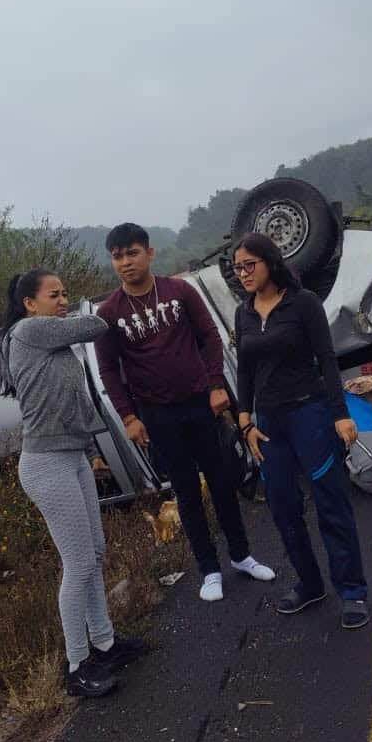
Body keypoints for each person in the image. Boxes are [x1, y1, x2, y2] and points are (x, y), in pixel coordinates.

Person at [95, 223, 274, 603]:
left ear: (149, 253)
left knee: (223, 480)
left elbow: (209, 335)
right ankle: (210, 570)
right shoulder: (109, 312)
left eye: (133, 253)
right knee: (187, 493)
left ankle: (241, 556)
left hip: (199, 402)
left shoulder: (179, 292)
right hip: (156, 414)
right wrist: (129, 417)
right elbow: (109, 369)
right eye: (118, 256)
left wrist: (214, 385)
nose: (126, 262)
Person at [0, 270, 145, 698]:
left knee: (94, 552)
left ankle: (105, 643)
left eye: (65, 294)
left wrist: (89, 449)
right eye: (54, 295)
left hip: (71, 457)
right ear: (29, 303)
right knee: (77, 564)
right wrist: (114, 299)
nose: (63, 301)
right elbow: (94, 325)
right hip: (46, 466)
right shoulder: (30, 330)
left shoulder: (46, 338)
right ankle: (77, 666)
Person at [233, 233, 369, 630]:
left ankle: (352, 590)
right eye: (237, 267)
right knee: (283, 506)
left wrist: (340, 414)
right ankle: (310, 583)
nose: (242, 273)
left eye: (249, 265)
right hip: (269, 424)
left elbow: (327, 359)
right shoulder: (244, 313)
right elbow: (245, 371)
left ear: (269, 263)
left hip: (310, 413)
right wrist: (244, 421)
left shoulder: (303, 303)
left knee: (330, 502)